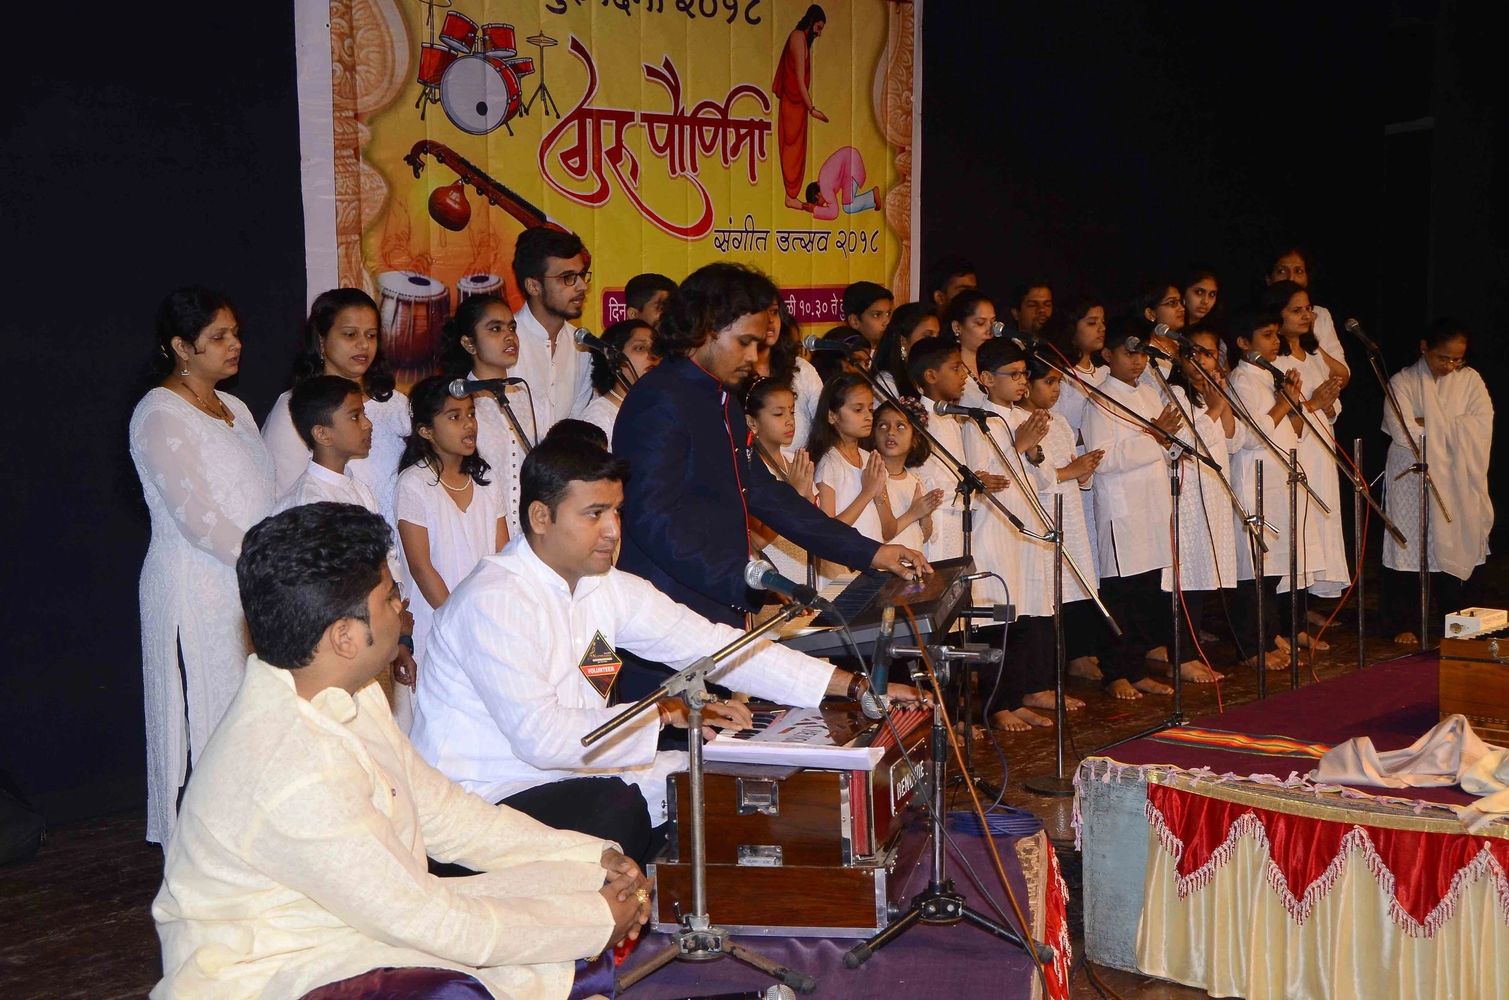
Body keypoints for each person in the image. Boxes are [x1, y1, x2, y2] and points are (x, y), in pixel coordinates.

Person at [152, 502, 644, 1000]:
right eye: (390, 596)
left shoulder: (350, 691)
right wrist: (593, 919)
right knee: (456, 990)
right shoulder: (291, 768)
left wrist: (589, 856)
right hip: (279, 972)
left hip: (356, 927)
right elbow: (428, 919)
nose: (402, 606)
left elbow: (446, 816)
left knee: (576, 882)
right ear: (345, 637)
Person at [410, 439, 922, 866]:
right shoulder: (495, 599)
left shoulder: (603, 584)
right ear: (540, 517)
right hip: (484, 801)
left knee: (712, 781)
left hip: (571, 776)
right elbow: (541, 740)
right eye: (594, 514)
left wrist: (854, 686)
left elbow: (714, 646)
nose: (613, 530)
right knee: (618, 807)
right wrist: (662, 713)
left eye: (616, 511)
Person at [614, 262, 927, 636]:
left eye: (758, 345)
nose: (752, 357)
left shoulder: (723, 400)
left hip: (717, 608)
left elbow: (767, 495)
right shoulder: (659, 400)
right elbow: (652, 520)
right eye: (744, 342)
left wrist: (871, 552)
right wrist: (747, 582)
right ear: (703, 329)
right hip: (666, 613)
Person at [129, 287, 274, 845]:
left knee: (250, 717)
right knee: (204, 718)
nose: (234, 344)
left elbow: (261, 497)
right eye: (218, 336)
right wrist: (268, 563)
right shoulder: (159, 413)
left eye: (235, 333)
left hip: (247, 584)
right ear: (181, 347)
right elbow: (197, 517)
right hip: (194, 586)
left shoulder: (237, 409)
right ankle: (202, 854)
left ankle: (248, 847)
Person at [963, 339, 1084, 728]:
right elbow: (989, 480)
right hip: (994, 531)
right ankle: (995, 705)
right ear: (985, 378)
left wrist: (1033, 453)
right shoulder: (977, 421)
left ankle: (1015, 698)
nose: (1021, 382)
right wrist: (1019, 447)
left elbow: (1044, 480)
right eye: (1012, 374)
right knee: (999, 621)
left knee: (1023, 619)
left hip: (1026, 528)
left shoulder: (1022, 417)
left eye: (1024, 374)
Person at [274, 375, 418, 694]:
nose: (367, 424)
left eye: (363, 413)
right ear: (322, 433)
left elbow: (387, 563)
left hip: (376, 636)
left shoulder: (359, 489)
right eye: (355, 416)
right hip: (337, 652)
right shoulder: (307, 502)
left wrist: (399, 634)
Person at [1081, 318, 1179, 701]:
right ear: (1108, 354)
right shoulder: (1100, 400)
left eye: (1142, 354)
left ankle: (1137, 669)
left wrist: (1168, 444)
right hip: (1122, 513)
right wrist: (1154, 437)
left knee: (1146, 596)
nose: (1138, 361)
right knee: (1120, 596)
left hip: (1152, 507)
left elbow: (1165, 449)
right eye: (1129, 353)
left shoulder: (1151, 395)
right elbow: (1103, 460)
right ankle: (1115, 672)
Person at [1381, 319, 1493, 644]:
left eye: (1458, 359)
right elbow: (1403, 431)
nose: (1450, 365)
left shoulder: (1470, 380)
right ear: (1424, 348)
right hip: (1412, 474)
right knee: (1411, 544)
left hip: (1459, 476)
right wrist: (1451, 424)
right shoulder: (1403, 381)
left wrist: (1428, 420)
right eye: (1444, 358)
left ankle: (1459, 621)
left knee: (1459, 537)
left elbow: (1482, 424)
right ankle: (1405, 622)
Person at [261, 288, 409, 526]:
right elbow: (285, 497)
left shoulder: (395, 403)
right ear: (322, 340)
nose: (363, 344)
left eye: (371, 335)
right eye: (350, 334)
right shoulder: (296, 407)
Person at [395, 377, 508, 686]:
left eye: (470, 413)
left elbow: (502, 556)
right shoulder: (413, 484)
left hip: (485, 622)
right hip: (439, 623)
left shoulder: (486, 478)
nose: (468, 424)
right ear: (426, 431)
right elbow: (421, 567)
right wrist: (462, 625)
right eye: (454, 417)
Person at [1142, 326, 1239, 684]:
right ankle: (1179, 656)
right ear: (1181, 358)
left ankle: (1190, 652)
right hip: (1185, 494)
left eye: (1209, 354)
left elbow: (1232, 439)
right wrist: (1216, 407)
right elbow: (1185, 441)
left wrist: (1219, 403)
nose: (1202, 360)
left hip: (1211, 494)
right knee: (1184, 578)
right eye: (1194, 353)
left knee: (1200, 578)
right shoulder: (1174, 391)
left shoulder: (1206, 395)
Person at [1263, 280, 1349, 629]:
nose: (1306, 315)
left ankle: (1299, 621)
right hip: (1296, 453)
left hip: (1320, 452)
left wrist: (1326, 405)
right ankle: (1285, 626)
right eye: (1296, 310)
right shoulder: (1276, 360)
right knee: (1295, 533)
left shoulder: (1312, 355)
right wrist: (1314, 404)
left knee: (1315, 535)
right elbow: (1280, 416)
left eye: (1308, 309)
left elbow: (1336, 390)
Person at [1224, 310, 1306, 670]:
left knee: (1271, 569)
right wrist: (1284, 403)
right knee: (1253, 570)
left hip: (1275, 482)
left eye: (1277, 335)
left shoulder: (1269, 377)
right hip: (1252, 480)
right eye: (1267, 335)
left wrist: (1291, 401)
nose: (1276, 342)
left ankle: (1270, 633)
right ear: (1244, 342)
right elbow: (1252, 435)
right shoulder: (1241, 380)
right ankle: (1250, 647)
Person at [1021, 352, 1106, 681]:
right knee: (1044, 598)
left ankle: (1065, 666)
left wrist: (1084, 473)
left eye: (1058, 381)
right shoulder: (1018, 423)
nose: (1056, 389)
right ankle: (1042, 677)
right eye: (1048, 381)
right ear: (1027, 385)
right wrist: (1071, 471)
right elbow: (1031, 476)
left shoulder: (1058, 422)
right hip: (1042, 517)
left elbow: (1074, 473)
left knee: (1068, 594)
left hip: (1069, 513)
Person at [437, 293, 535, 540]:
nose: (509, 336)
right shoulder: (457, 404)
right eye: (495, 329)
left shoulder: (530, 398)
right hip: (479, 534)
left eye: (512, 327)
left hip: (529, 537)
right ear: (469, 344)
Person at [907, 336, 1009, 563]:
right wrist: (968, 484)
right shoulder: (921, 422)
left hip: (955, 518)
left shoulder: (949, 419)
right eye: (955, 368)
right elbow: (921, 480)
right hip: (936, 523)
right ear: (931, 376)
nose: (964, 375)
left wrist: (971, 481)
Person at [512, 226, 594, 434]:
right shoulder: (503, 342)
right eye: (567, 277)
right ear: (533, 286)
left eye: (581, 275)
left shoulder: (583, 347)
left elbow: (576, 426)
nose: (582, 286)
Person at [808, 374, 886, 578]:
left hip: (873, 564)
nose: (868, 416)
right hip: (841, 574)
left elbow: (887, 529)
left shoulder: (870, 458)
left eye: (870, 409)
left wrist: (879, 495)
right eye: (858, 410)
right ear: (832, 416)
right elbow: (827, 533)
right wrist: (867, 492)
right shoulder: (829, 463)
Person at [744, 375, 816, 587]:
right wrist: (793, 494)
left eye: (792, 412)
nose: (789, 420)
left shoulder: (796, 461)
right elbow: (756, 541)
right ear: (752, 422)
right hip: (774, 584)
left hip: (805, 574)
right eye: (778, 413)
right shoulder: (750, 470)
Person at [772, 5, 828, 211]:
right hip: (792, 105)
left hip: (799, 107)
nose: (819, 33)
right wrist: (812, 109)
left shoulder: (804, 41)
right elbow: (798, 79)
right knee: (790, 151)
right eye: (818, 27)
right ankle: (790, 196)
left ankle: (792, 196)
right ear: (811, 21)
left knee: (798, 152)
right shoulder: (797, 38)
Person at [1264, 245, 1348, 377]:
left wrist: (1309, 340)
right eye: (1282, 271)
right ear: (1269, 279)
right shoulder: (1258, 320)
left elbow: (1342, 376)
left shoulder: (1320, 315)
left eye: (1298, 271)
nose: (1291, 278)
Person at [871, 398, 942, 550]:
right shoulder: (871, 477)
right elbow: (880, 534)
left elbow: (925, 536)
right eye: (883, 425)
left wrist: (925, 513)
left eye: (900, 426)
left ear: (914, 438)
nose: (891, 432)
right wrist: (914, 513)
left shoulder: (915, 481)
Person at [582, 318, 657, 441]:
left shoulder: (657, 408)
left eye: (656, 349)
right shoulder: (598, 417)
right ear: (613, 359)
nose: (652, 355)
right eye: (640, 348)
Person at [942, 289, 999, 408]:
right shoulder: (949, 368)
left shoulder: (998, 362)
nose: (990, 330)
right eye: (980, 323)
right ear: (957, 327)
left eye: (993, 323)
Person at [873, 301, 940, 399]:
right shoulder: (886, 382)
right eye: (928, 336)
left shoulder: (930, 375)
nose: (935, 343)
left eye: (937, 337)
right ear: (903, 341)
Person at [842, 280, 894, 350]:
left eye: (888, 313)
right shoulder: (843, 355)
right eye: (877, 315)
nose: (887, 321)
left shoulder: (897, 351)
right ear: (854, 321)